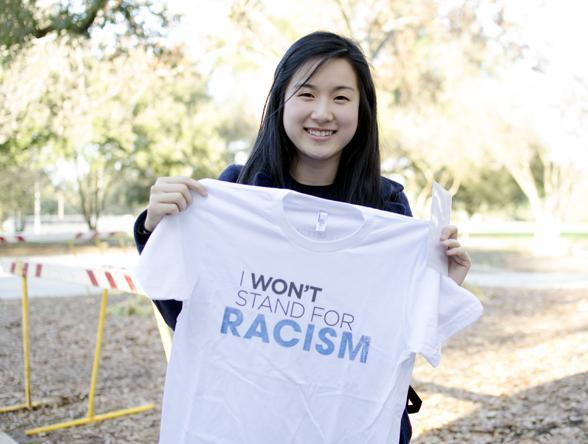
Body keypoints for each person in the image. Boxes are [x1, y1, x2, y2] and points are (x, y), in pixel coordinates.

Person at [133, 31, 472, 444]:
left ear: (363, 110)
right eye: (307, 94)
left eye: (342, 97)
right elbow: (193, 318)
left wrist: (440, 286)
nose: (323, 112)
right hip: (240, 425)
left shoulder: (388, 208)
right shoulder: (233, 194)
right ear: (281, 101)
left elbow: (387, 342)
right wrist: (155, 231)